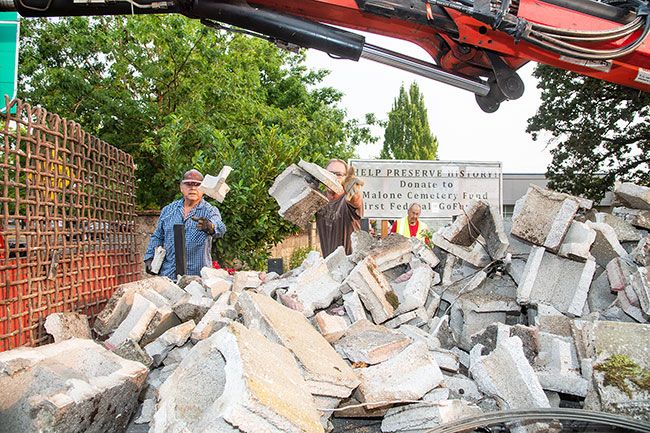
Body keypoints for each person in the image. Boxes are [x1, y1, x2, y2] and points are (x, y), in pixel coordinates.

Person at [144, 169, 226, 279]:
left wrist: (210, 226)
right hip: (169, 275)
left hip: (197, 277)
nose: (193, 188)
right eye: (189, 184)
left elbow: (220, 228)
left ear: (203, 189)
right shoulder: (168, 210)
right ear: (181, 187)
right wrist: (149, 257)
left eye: (197, 185)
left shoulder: (209, 211)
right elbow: (158, 236)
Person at [316, 159, 364, 257]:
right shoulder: (319, 200)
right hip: (329, 265)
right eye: (329, 173)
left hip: (350, 267)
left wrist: (354, 193)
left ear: (346, 178)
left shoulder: (347, 200)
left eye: (338, 174)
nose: (333, 177)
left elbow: (355, 201)